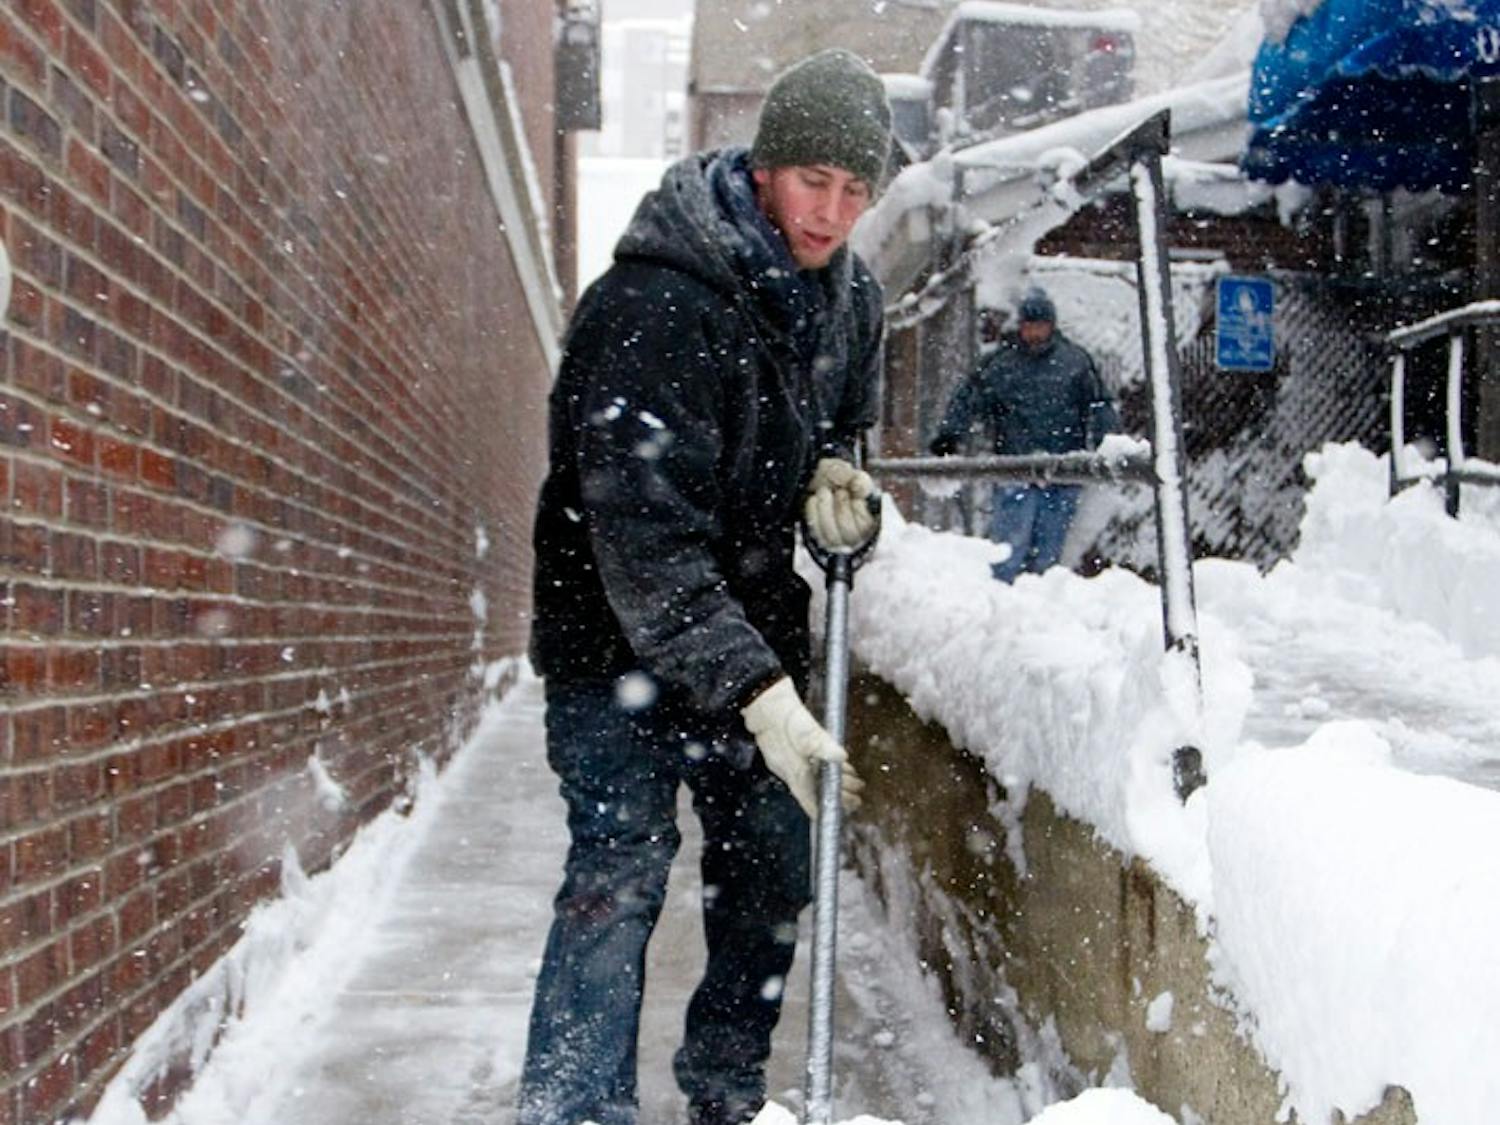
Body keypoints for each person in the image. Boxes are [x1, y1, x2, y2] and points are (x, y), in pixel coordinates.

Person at [519, 48, 892, 1125]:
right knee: (618, 878)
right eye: (815, 181)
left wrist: (838, 474)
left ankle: (726, 1095)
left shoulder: (845, 299)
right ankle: (572, 1110)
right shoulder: (654, 303)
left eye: (856, 191)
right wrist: (763, 695)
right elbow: (640, 534)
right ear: (768, 167)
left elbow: (842, 421)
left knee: (774, 867)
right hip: (614, 644)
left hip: (739, 630)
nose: (831, 213)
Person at [928, 287, 1118, 583]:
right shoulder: (1003, 364)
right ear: (1021, 327)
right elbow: (970, 398)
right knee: (1008, 548)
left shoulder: (1075, 363)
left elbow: (1098, 405)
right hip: (1015, 465)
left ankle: (1037, 603)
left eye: (1040, 325)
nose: (1034, 332)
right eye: (1029, 325)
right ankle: (1005, 600)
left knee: (1048, 551)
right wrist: (950, 435)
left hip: (1062, 467)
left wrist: (1108, 441)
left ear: (1051, 326)